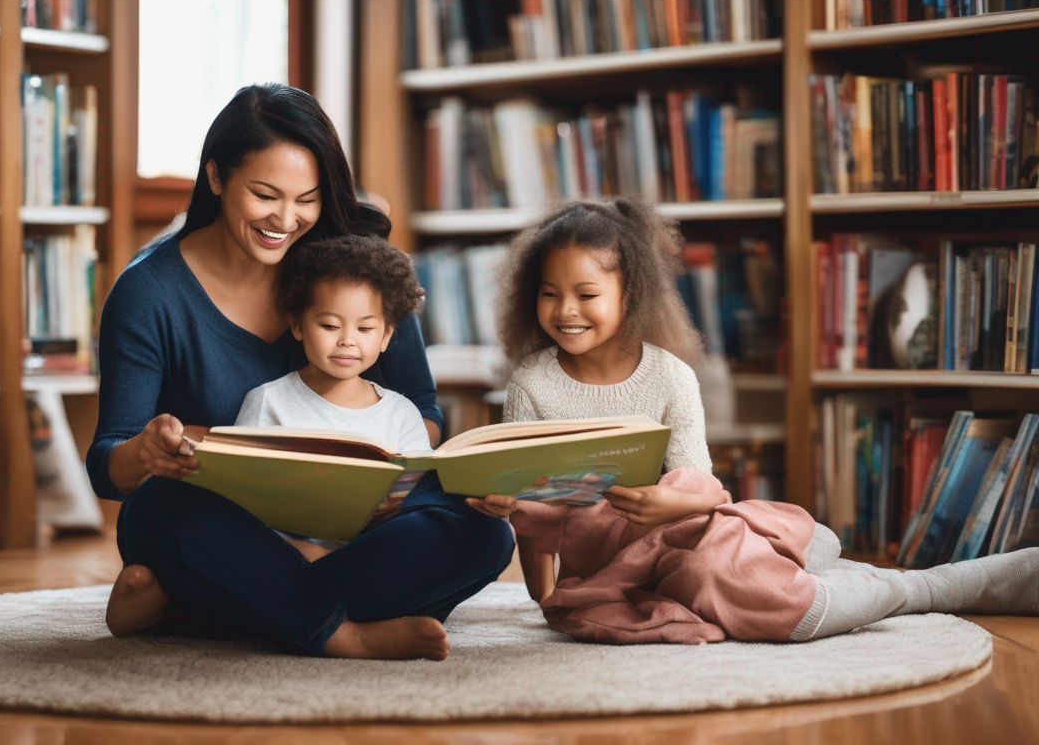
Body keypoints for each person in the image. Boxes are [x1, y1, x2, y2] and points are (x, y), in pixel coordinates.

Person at [470, 198, 1039, 644]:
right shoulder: (532, 383)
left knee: (737, 576)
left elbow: (702, 485)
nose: (565, 310)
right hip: (610, 565)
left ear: (631, 294)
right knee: (740, 583)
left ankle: (924, 588)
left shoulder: (668, 376)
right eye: (550, 294)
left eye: (586, 293)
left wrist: (669, 504)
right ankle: (802, 564)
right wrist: (543, 590)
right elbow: (531, 514)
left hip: (684, 530)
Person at [89, 83, 512, 661]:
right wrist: (149, 452)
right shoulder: (149, 291)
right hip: (223, 527)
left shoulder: (359, 270)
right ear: (216, 177)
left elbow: (422, 410)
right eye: (265, 194)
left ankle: (204, 609)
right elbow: (107, 465)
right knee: (165, 506)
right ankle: (344, 633)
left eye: (307, 200)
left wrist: (390, 485)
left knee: (485, 534)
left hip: (362, 522)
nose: (285, 220)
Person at [234, 233, 431, 561]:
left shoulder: (401, 413)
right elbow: (240, 494)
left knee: (470, 532)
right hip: (282, 552)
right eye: (329, 326)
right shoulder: (268, 401)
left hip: (371, 549)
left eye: (365, 329)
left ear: (387, 335)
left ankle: (337, 600)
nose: (347, 341)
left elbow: (418, 495)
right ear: (297, 326)